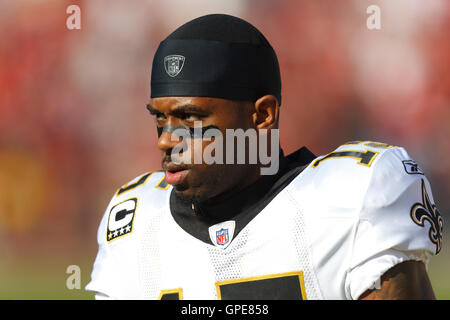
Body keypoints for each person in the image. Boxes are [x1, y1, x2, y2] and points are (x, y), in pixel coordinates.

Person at [86, 14, 443, 300]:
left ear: (262, 116)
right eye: (160, 118)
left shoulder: (349, 198)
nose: (167, 139)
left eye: (191, 119)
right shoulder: (136, 221)